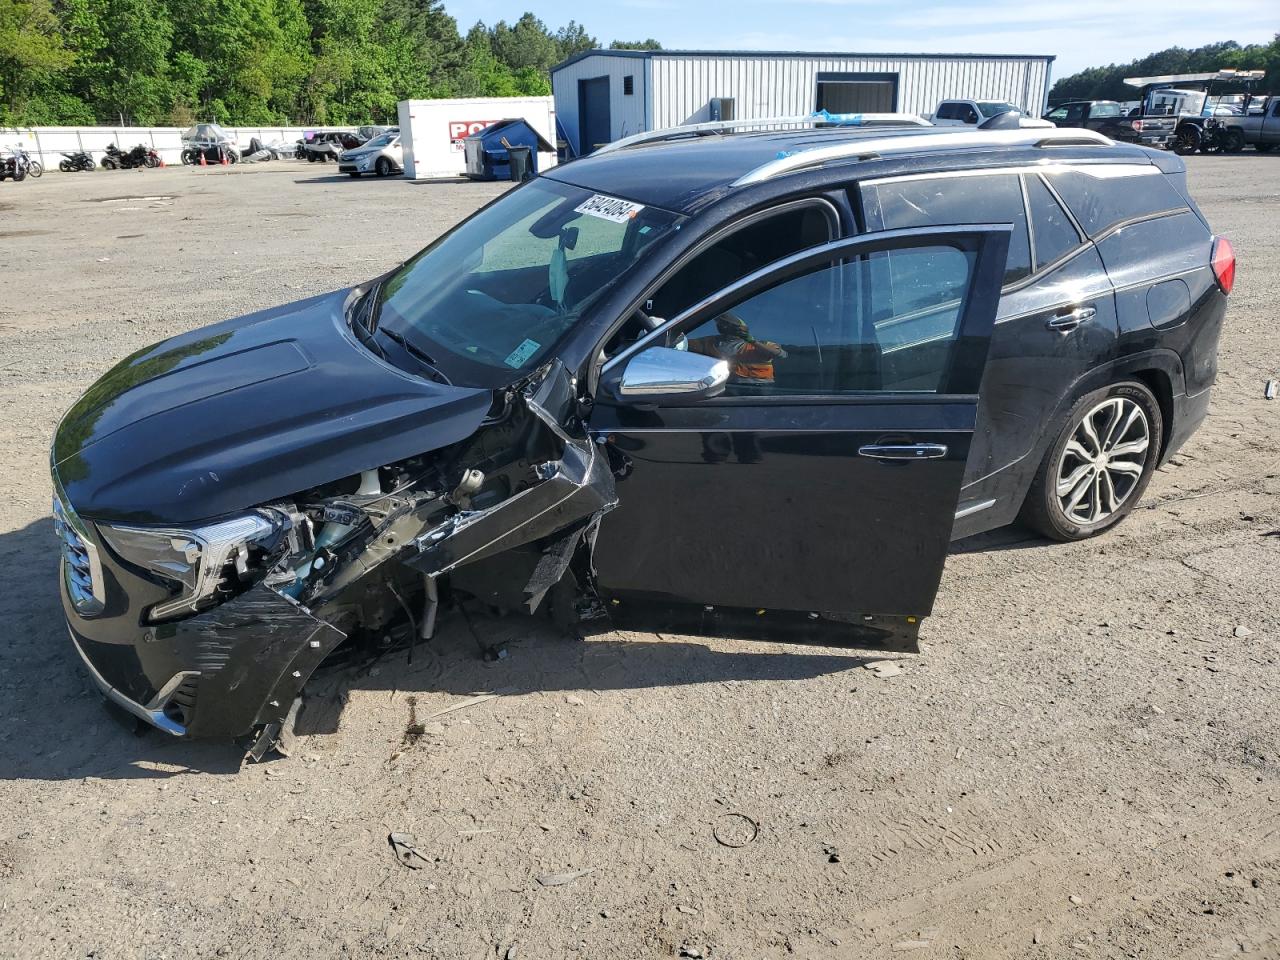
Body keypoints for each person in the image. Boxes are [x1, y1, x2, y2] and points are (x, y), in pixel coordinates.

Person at [688, 313, 788, 385]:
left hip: (760, 388)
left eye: (727, 324)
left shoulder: (763, 344)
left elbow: (780, 355)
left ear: (741, 329)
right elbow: (682, 343)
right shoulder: (709, 342)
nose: (722, 326)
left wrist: (752, 341)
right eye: (721, 323)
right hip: (727, 386)